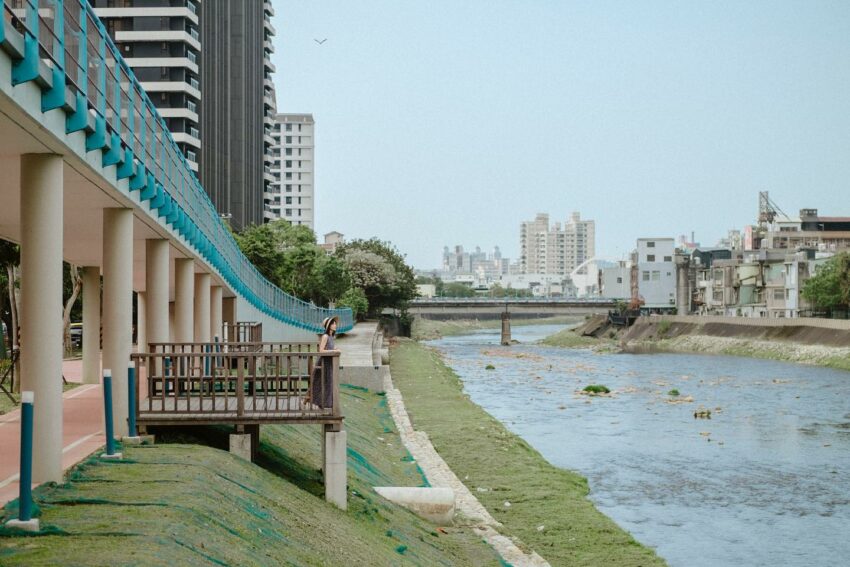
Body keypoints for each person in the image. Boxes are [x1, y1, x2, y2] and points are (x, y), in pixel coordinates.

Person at [311, 316, 340, 408]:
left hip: (329, 362)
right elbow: (321, 350)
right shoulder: (325, 336)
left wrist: (335, 349)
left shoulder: (331, 336)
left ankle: (326, 404)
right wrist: (333, 351)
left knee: (328, 383)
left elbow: (329, 347)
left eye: (335, 323)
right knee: (321, 383)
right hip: (323, 362)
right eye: (332, 324)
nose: (335, 325)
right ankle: (320, 403)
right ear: (328, 326)